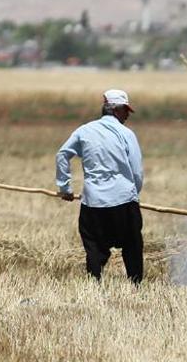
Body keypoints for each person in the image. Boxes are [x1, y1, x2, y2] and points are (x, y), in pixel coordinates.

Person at [56, 89, 144, 284]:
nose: (128, 115)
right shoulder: (127, 134)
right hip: (124, 202)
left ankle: (93, 285)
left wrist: (65, 188)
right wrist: (133, 194)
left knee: (94, 247)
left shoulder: (84, 131)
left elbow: (62, 154)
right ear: (116, 110)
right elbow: (136, 171)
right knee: (132, 246)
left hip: (93, 202)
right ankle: (136, 285)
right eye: (126, 110)